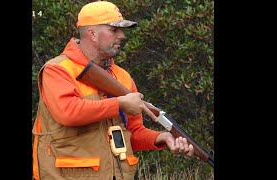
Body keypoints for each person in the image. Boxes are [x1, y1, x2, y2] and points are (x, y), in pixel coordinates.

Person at [32, 1, 194, 180]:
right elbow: (68, 112)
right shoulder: (58, 69)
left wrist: (162, 137)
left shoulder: (122, 76)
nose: (122, 36)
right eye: (114, 30)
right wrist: (119, 104)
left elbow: (133, 132)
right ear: (92, 34)